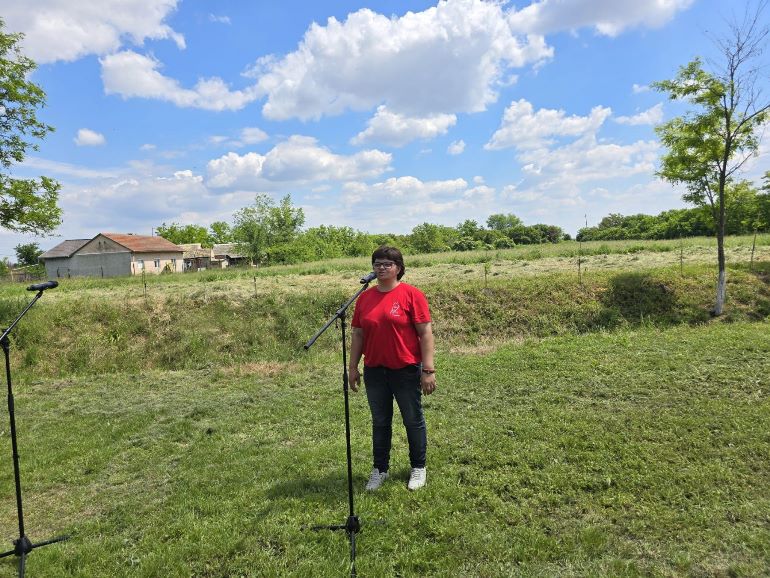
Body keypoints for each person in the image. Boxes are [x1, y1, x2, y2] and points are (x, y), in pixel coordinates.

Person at [349, 246, 436, 491]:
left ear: (398, 268)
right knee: (380, 421)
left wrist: (428, 370)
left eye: (387, 264)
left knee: (413, 419)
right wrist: (353, 367)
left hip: (405, 369)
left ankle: (418, 467)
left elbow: (425, 333)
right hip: (375, 371)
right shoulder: (364, 298)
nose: (381, 268)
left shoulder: (412, 295)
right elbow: (358, 334)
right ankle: (380, 469)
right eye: (377, 263)